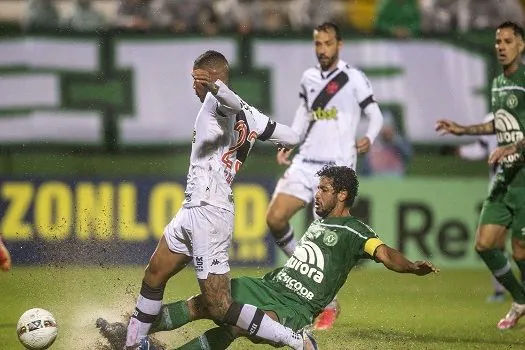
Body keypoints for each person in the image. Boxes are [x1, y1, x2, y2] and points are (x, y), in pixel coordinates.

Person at [97, 165, 438, 350]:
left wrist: (410, 266)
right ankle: (130, 333)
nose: (316, 194)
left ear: (342, 194)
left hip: (296, 307)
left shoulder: (354, 231)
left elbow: (385, 253)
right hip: (269, 285)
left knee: (242, 326)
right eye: (317, 188)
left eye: (323, 190)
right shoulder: (320, 222)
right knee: (206, 304)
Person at [121, 50, 319, 350]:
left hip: (211, 212)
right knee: (155, 272)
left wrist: (216, 89)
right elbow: (291, 135)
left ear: (210, 79)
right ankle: (133, 344)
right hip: (193, 208)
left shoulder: (219, 103)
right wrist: (284, 144)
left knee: (220, 306)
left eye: (196, 80)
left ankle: (296, 341)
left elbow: (231, 103)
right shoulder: (253, 116)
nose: (192, 87)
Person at [265, 21, 384, 330]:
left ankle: (325, 304)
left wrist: (370, 137)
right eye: (318, 44)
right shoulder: (308, 78)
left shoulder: (354, 79)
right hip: (306, 162)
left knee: (324, 244)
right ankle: (298, 267)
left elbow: (376, 114)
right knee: (275, 218)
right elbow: (302, 117)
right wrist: (288, 142)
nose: (322, 50)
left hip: (337, 166)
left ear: (339, 45)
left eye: (327, 43)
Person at [435, 21, 525, 330]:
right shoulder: (499, 83)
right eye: (498, 40)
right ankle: (521, 298)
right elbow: (497, 125)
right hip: (505, 176)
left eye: (507, 41)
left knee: (519, 249)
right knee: (485, 244)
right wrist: (464, 129)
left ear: (521, 45)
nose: (500, 45)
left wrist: (513, 146)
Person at [456, 113, 508, 303]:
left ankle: (506, 292)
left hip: (517, 187)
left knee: (516, 245)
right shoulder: (490, 119)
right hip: (498, 189)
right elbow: (481, 148)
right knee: (491, 243)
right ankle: (500, 290)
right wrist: (460, 151)